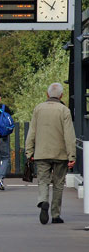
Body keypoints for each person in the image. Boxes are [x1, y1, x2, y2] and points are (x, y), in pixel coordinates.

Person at [25, 83, 76, 224]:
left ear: (47, 95)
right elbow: (69, 135)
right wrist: (71, 155)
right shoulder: (64, 110)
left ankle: (43, 201)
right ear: (61, 95)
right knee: (58, 184)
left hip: (41, 153)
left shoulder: (38, 109)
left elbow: (32, 132)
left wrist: (29, 151)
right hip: (60, 154)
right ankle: (55, 214)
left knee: (43, 181)